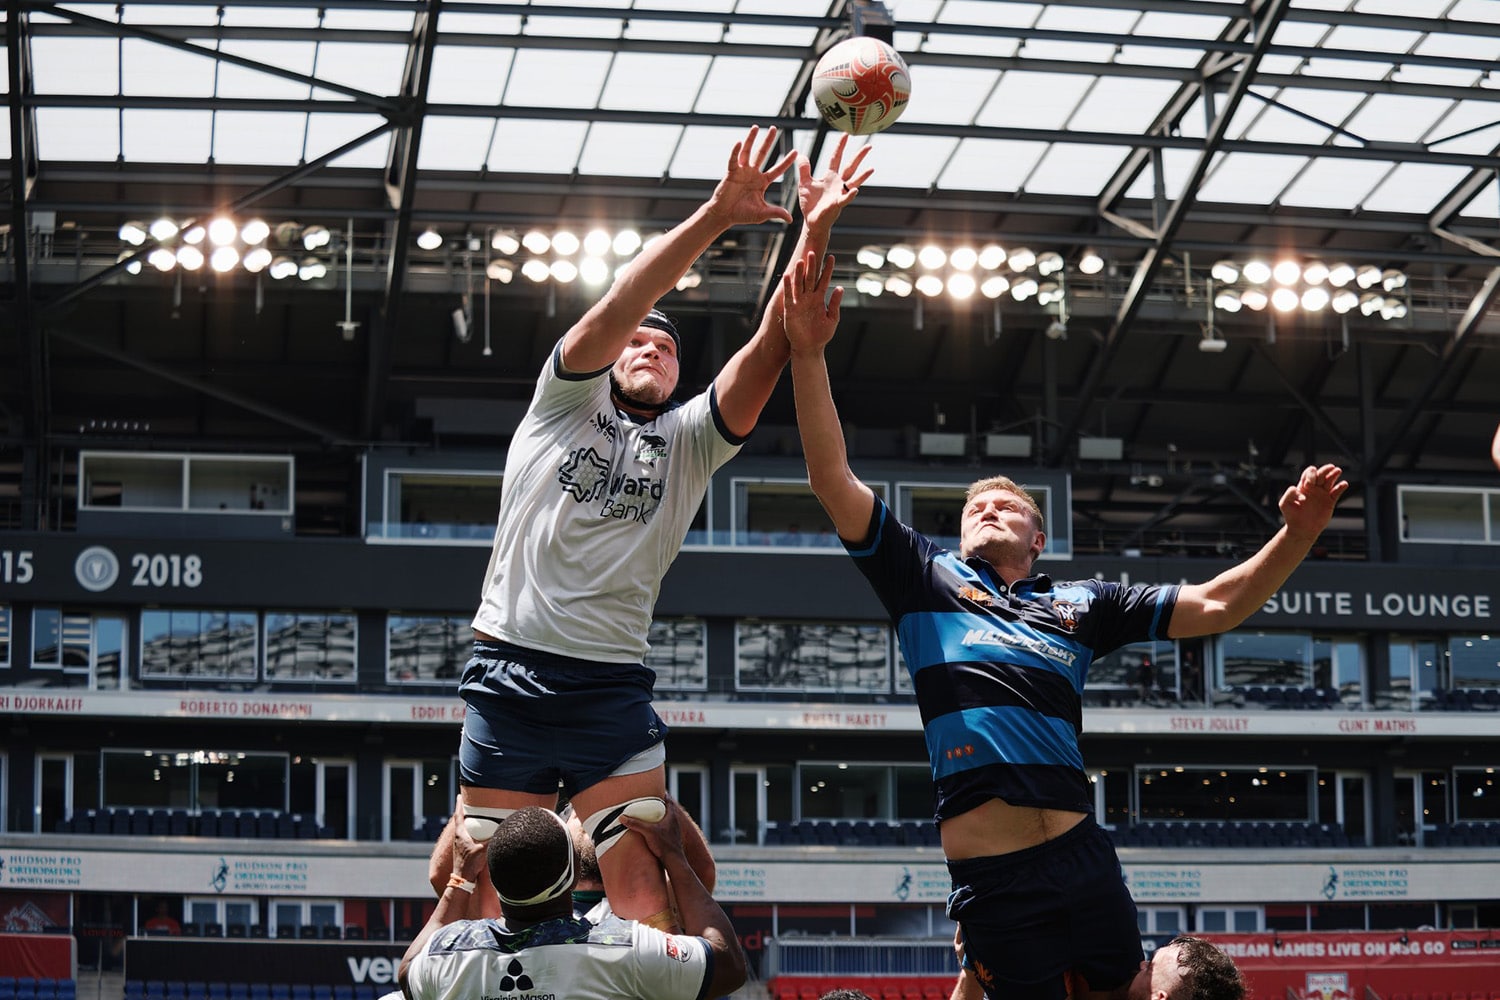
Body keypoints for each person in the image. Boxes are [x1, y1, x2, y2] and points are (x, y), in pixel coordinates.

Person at [781, 251, 1347, 1000]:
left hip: (1082, 855)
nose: (987, 508)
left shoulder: (1083, 604)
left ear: (1038, 538)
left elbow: (1219, 604)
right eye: (974, 507)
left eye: (1007, 505)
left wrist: (1299, 535)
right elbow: (831, 477)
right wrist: (808, 351)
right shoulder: (924, 576)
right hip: (995, 879)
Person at [456, 123, 873, 932]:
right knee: (478, 873)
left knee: (647, 879)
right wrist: (720, 212)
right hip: (511, 668)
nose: (650, 346)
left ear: (682, 374)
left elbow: (773, 343)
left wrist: (814, 224)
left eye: (667, 347)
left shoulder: (688, 442)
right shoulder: (562, 403)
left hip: (609, 684)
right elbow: (621, 304)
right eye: (638, 340)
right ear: (611, 356)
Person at [399, 799, 745, 1000]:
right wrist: (672, 848)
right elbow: (728, 964)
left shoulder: (455, 952)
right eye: (578, 817)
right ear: (570, 864)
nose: (588, 815)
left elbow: (408, 971)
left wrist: (460, 875)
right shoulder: (624, 947)